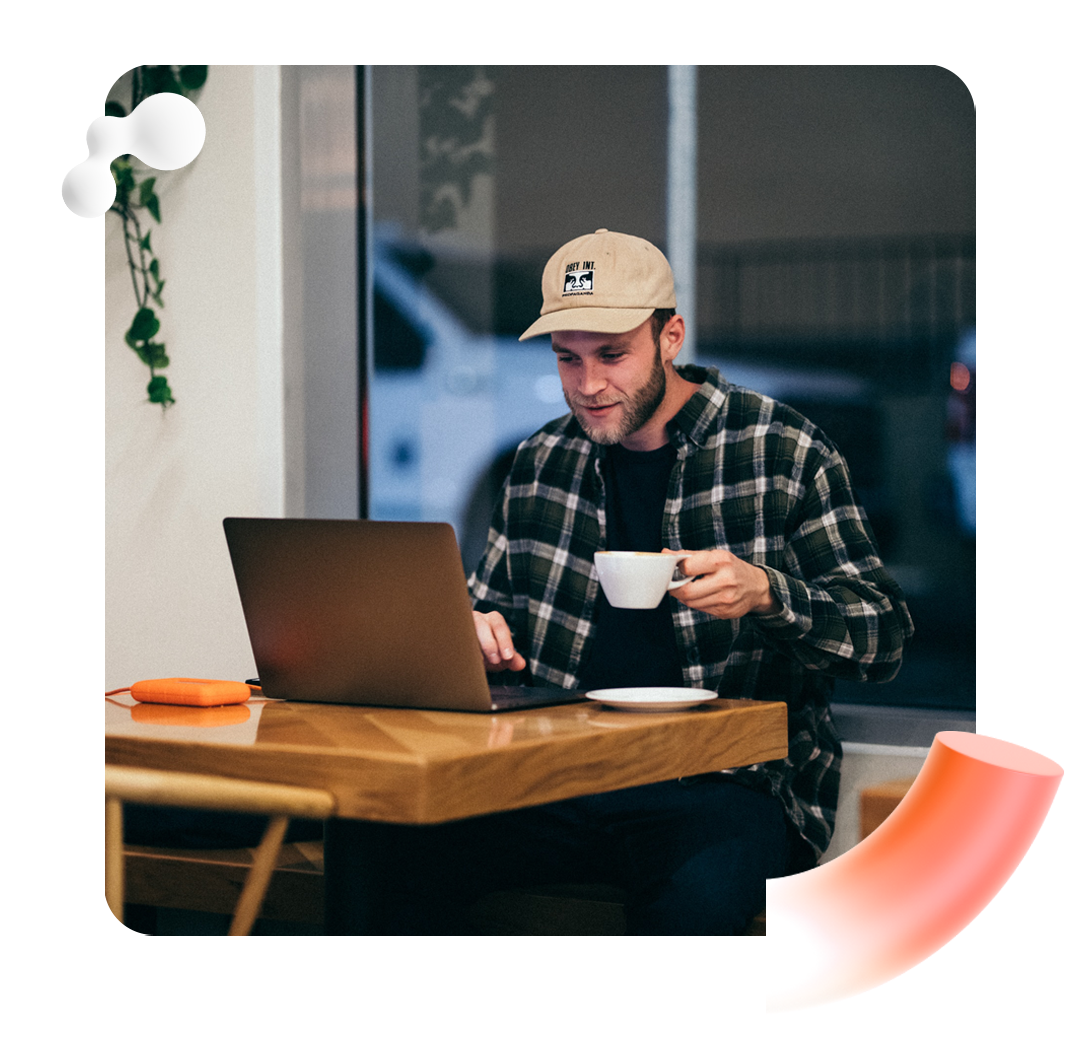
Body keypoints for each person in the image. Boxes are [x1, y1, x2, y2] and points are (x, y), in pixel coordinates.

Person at [367, 228, 914, 935]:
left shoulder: (783, 450)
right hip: (558, 774)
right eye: (568, 360)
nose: (588, 386)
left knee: (694, 902)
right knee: (380, 840)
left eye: (612, 356)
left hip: (723, 786)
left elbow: (884, 638)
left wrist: (769, 595)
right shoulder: (540, 463)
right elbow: (487, 613)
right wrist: (469, 632)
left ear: (670, 337)